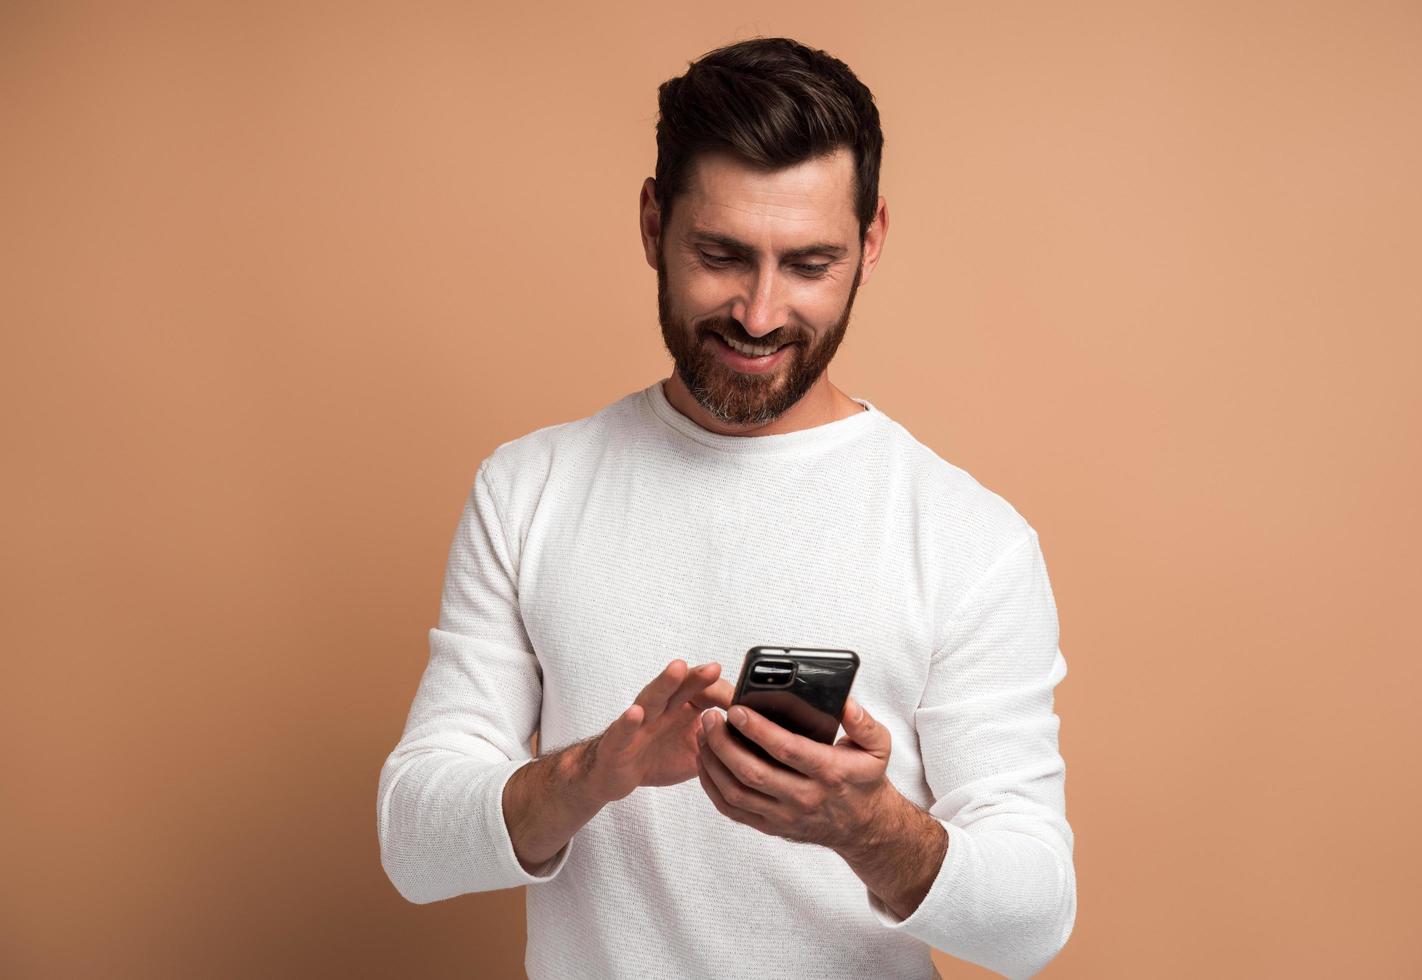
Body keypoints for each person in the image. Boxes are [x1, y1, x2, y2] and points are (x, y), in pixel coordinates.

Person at [376, 35, 1076, 980]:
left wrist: (868, 830)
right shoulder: (529, 490)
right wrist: (595, 773)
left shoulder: (969, 539)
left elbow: (1035, 917)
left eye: (809, 265)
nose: (757, 312)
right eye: (720, 254)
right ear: (652, 223)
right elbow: (414, 845)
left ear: (871, 243)